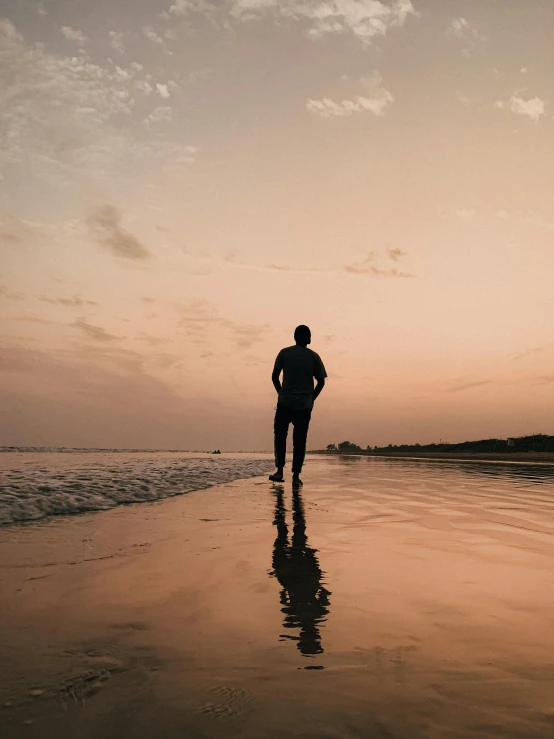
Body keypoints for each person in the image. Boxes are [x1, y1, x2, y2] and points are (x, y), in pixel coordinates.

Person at [269, 325, 327, 485]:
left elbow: (274, 377)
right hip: (303, 405)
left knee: (280, 437)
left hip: (285, 403)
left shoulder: (284, 353)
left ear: (295, 337)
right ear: (308, 338)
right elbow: (321, 382)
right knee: (299, 441)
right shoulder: (314, 356)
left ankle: (280, 471)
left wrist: (281, 393)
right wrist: (311, 398)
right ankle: (295, 476)